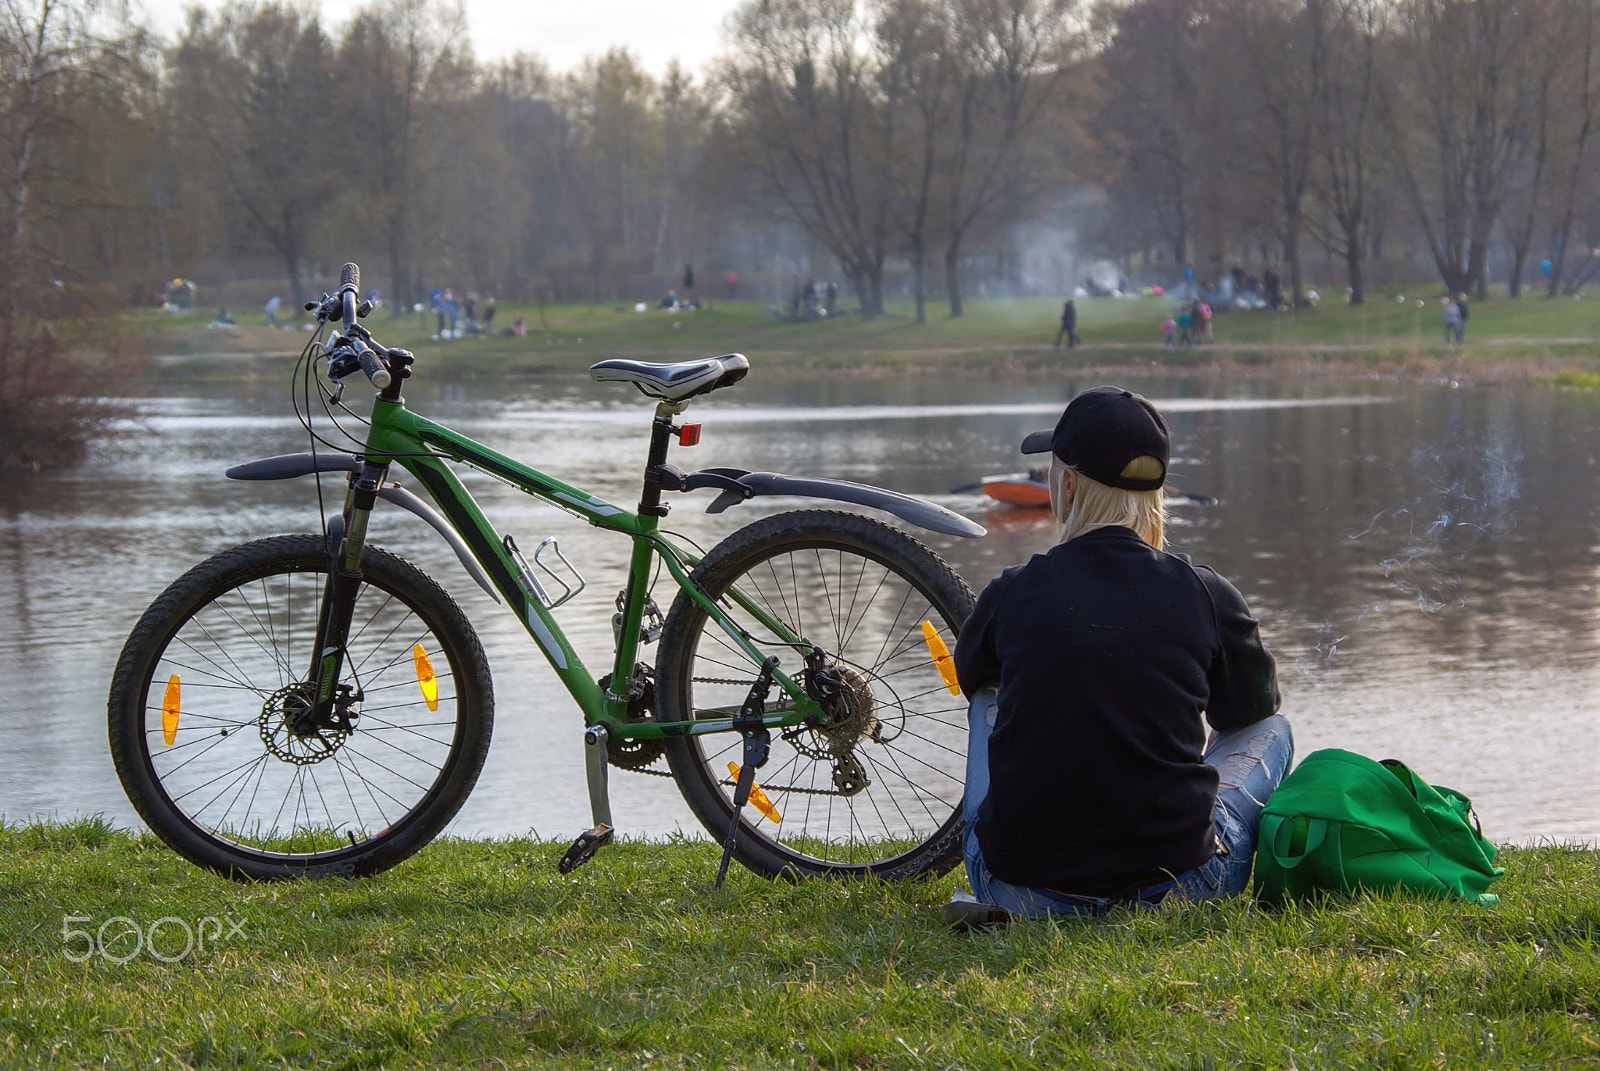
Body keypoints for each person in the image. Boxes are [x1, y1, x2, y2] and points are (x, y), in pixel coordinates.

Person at [943, 387, 1290, 925]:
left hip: (1018, 888)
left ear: (1072, 483)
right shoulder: (1206, 594)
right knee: (1274, 727)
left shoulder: (1013, 592)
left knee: (988, 693)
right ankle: (1173, 826)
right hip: (1184, 884)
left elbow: (975, 682)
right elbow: (1249, 713)